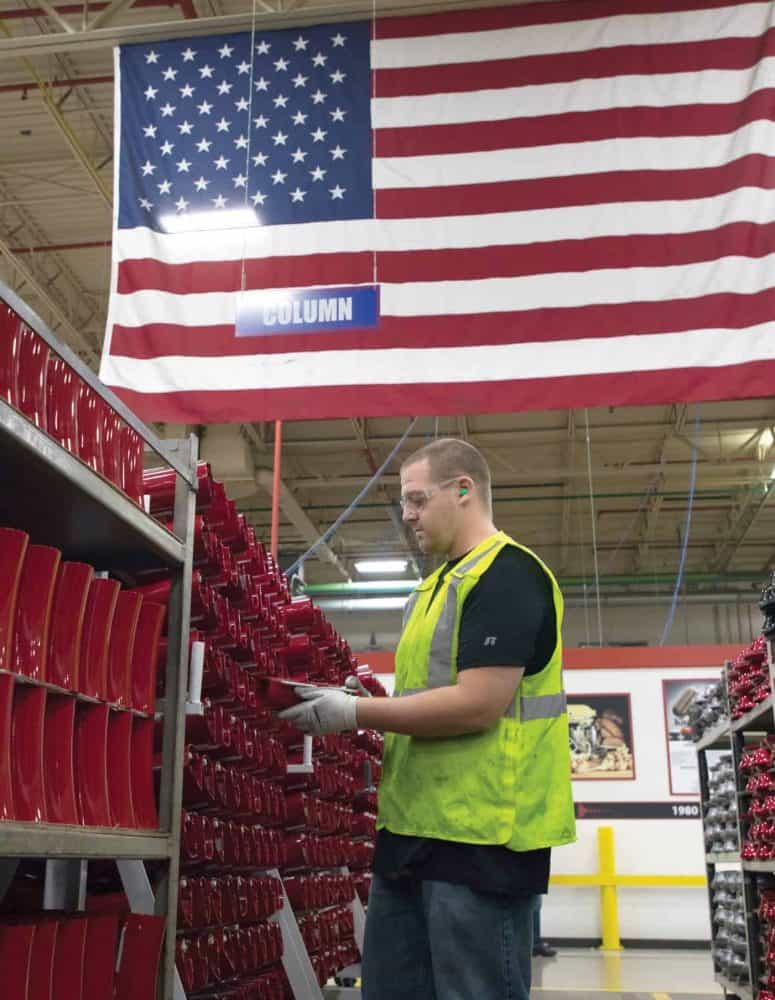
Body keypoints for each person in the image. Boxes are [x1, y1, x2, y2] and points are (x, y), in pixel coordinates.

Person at [279, 438, 576, 1000]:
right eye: (404, 503)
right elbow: (424, 697)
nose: (407, 515)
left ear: (463, 491)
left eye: (417, 499)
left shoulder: (508, 575)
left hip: (484, 843)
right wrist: (360, 694)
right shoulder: (433, 588)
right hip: (410, 834)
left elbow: (478, 703)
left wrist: (355, 712)